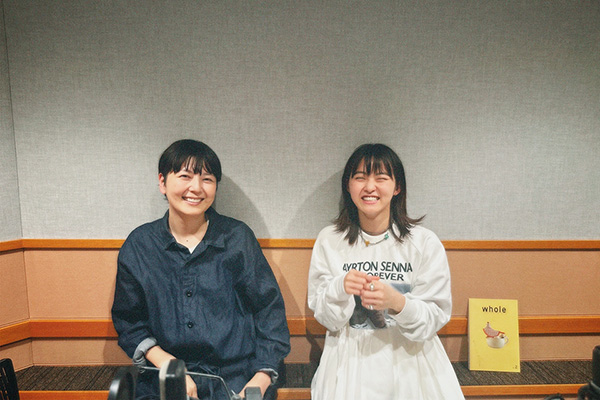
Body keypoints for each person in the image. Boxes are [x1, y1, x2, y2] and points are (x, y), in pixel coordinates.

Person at [112, 139, 290, 400]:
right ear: (162, 182)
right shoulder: (140, 245)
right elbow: (129, 322)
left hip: (234, 379)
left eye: (207, 179)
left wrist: (259, 381)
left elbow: (269, 312)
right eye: (185, 176)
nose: (196, 188)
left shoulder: (238, 238)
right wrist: (169, 366)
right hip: (162, 379)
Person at [307, 143, 464, 399]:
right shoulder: (329, 240)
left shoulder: (424, 243)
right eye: (360, 177)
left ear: (397, 186)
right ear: (348, 185)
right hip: (349, 364)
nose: (370, 187)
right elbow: (327, 318)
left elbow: (434, 317)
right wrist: (340, 287)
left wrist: (397, 302)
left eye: (381, 178)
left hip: (411, 366)